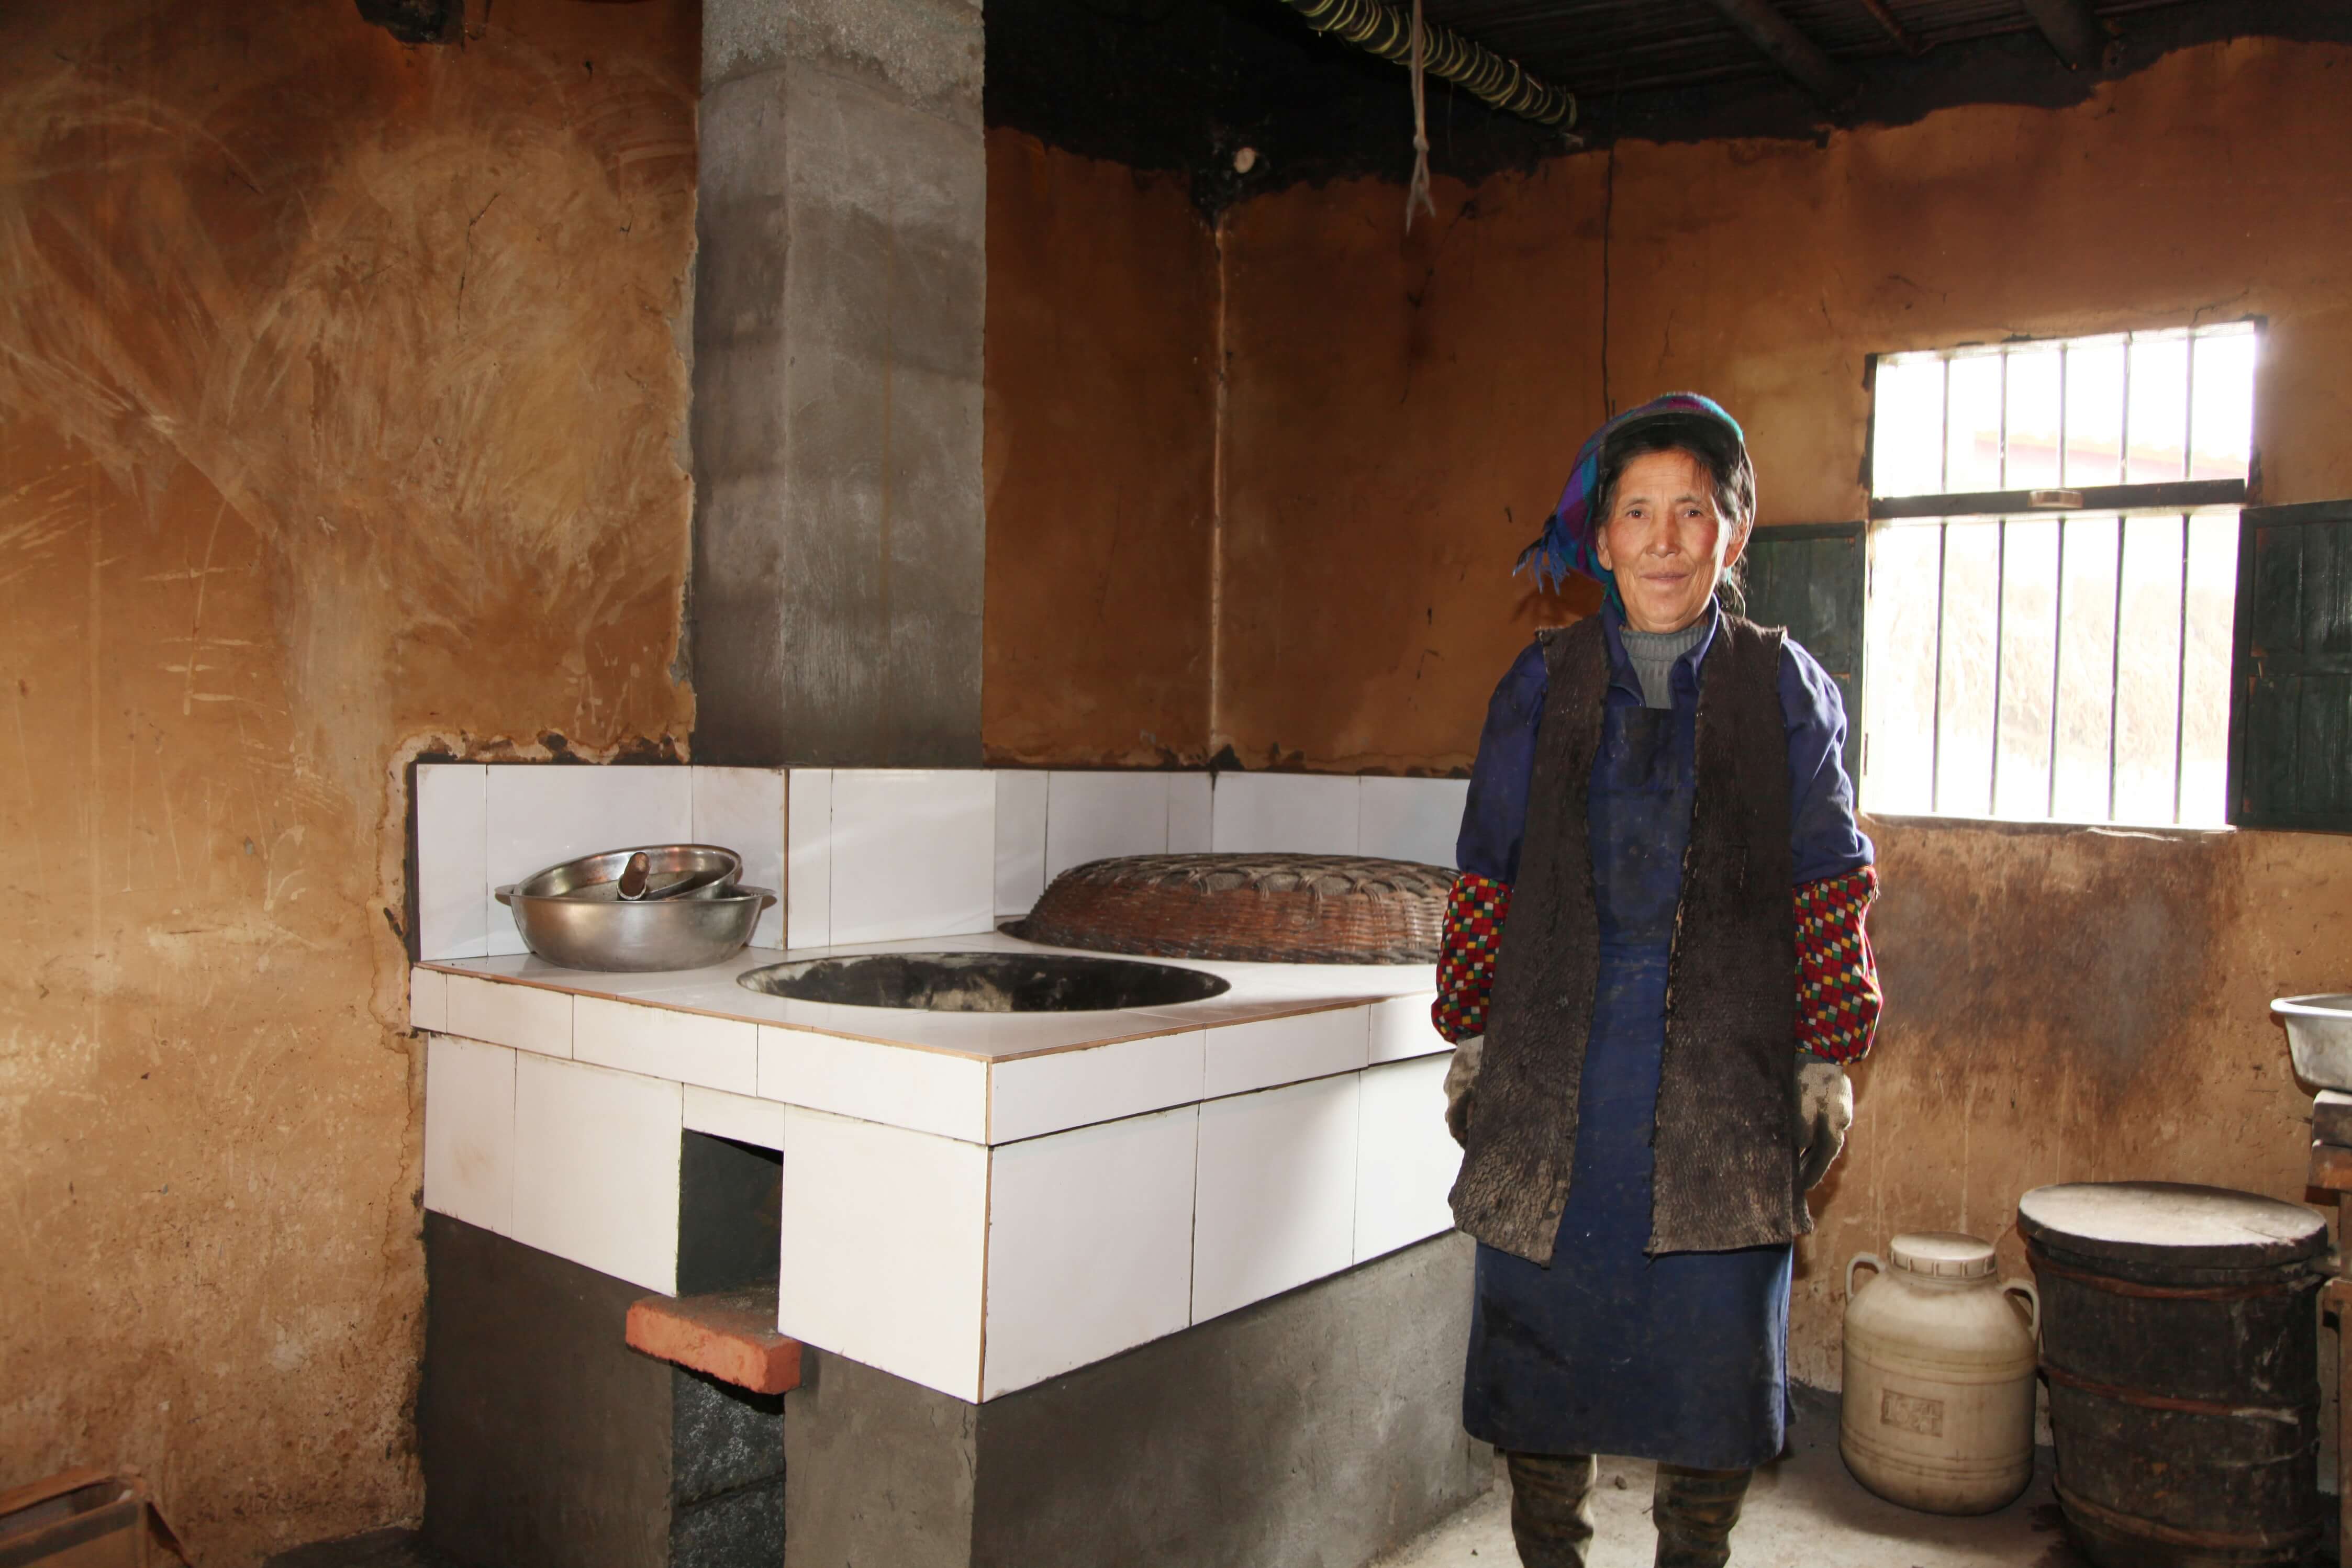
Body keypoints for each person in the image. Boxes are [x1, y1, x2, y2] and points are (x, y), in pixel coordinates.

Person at [1432, 393, 1883, 1568]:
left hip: (1725, 1090)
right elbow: (1488, 871)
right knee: (1541, 1351)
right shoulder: (1539, 686)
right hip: (1554, 1081)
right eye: (1639, 511)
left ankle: (1695, 1553)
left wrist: (1826, 1058)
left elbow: (1830, 878)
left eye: (1695, 510)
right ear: (1605, 536)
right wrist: (1471, 1037)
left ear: (1734, 533)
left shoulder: (1784, 689)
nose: (1666, 537)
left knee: (1711, 1362)